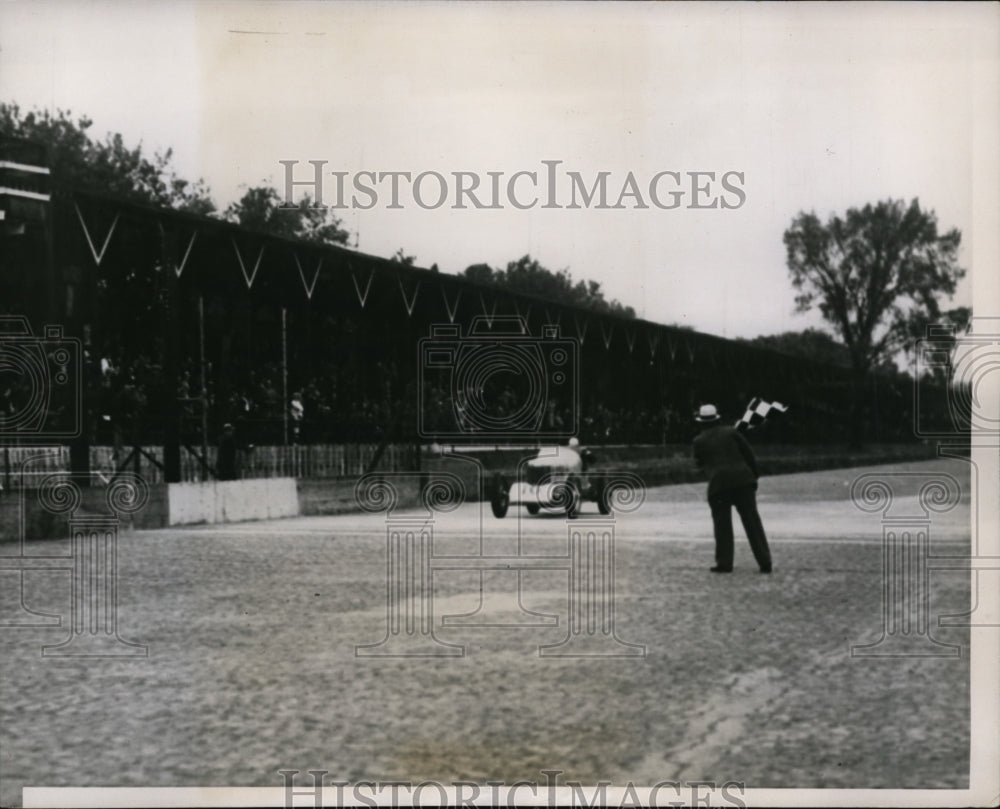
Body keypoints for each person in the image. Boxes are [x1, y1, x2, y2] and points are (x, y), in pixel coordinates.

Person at [691, 404, 772, 574]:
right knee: (752, 522)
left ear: (701, 422)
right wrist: (753, 477)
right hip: (743, 481)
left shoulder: (698, 441)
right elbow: (749, 455)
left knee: (722, 526)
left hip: (718, 485)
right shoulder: (732, 432)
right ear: (717, 418)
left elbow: (699, 464)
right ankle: (765, 561)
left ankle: (724, 563)